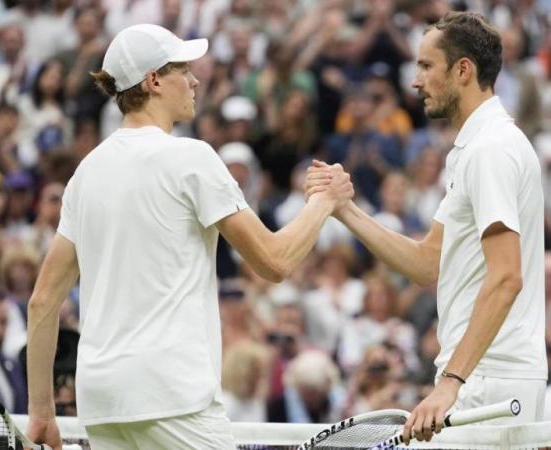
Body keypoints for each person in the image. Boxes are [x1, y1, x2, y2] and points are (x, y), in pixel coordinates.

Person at [25, 24, 353, 450]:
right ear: (153, 80)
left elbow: (42, 303)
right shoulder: (191, 157)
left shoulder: (84, 174)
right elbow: (275, 261)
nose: (195, 80)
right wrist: (324, 202)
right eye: (183, 69)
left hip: (103, 400)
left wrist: (43, 412)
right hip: (171, 394)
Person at [307, 11, 546, 444]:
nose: (415, 81)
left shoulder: (490, 150)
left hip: (490, 378)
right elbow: (427, 263)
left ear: (463, 70)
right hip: (482, 374)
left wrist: (452, 380)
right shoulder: (473, 148)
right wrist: (345, 210)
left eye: (425, 66)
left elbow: (507, 276)